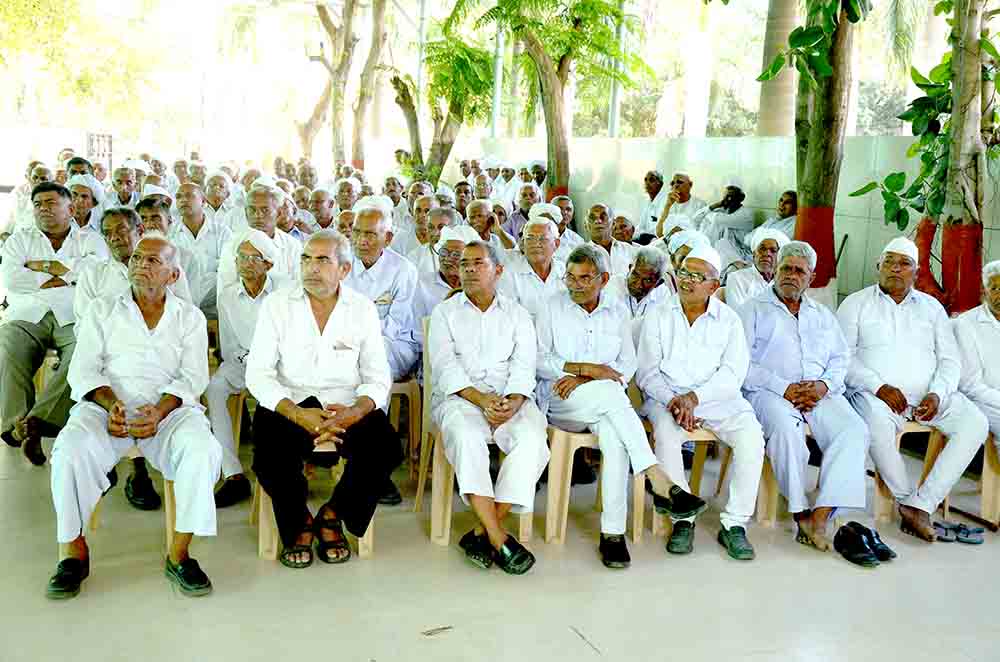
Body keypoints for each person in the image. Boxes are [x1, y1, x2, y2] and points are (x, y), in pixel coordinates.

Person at [46, 233, 222, 599]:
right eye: (137, 258)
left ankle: (179, 554)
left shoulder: (188, 317)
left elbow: (193, 377)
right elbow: (83, 369)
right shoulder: (102, 309)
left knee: (202, 449)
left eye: (153, 261)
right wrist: (111, 404)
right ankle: (73, 553)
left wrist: (159, 411)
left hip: (169, 411)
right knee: (69, 450)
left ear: (174, 275)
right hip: (106, 408)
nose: (141, 264)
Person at [246, 230, 400, 568]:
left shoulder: (361, 308)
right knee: (270, 453)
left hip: (344, 406)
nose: (311, 268)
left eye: (322, 260)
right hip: (290, 403)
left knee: (386, 448)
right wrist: (297, 414)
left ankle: (333, 514)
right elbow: (258, 373)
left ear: (344, 269)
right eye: (306, 259)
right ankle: (299, 521)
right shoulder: (277, 305)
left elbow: (378, 376)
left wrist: (355, 411)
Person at [536, 245, 682, 569]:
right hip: (561, 400)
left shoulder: (616, 310)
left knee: (615, 439)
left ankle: (612, 534)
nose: (575, 285)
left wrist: (587, 377)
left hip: (603, 402)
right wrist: (585, 369)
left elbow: (626, 365)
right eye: (570, 277)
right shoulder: (550, 306)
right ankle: (655, 474)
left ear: (603, 279)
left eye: (584, 278)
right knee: (611, 397)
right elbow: (538, 359)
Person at [838, 237, 988, 542]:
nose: (895, 268)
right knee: (876, 425)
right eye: (889, 262)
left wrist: (938, 393)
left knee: (975, 422)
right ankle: (909, 501)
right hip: (874, 395)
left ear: (916, 273)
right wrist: (879, 386)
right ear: (878, 266)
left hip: (927, 397)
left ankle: (922, 503)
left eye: (904, 263)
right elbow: (842, 358)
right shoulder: (855, 303)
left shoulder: (932, 308)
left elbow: (950, 360)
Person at [738, 241, 868, 553]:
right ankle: (800, 512)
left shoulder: (822, 314)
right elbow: (739, 363)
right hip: (769, 392)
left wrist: (823, 385)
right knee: (787, 429)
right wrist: (783, 387)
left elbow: (840, 359)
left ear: (811, 278)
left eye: (799, 271)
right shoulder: (752, 309)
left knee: (854, 430)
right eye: (786, 268)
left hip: (818, 393)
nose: (791, 275)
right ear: (775, 270)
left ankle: (821, 515)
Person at [637, 244, 765, 560]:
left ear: (714, 285)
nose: (687, 280)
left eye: (697, 276)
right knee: (666, 434)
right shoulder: (658, 314)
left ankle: (734, 524)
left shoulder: (729, 320)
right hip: (667, 398)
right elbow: (647, 373)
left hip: (716, 399)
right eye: (683, 272)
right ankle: (683, 519)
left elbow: (733, 373)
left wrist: (695, 398)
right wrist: (675, 400)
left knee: (751, 437)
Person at [428, 240, 549, 574]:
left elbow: (525, 365)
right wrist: (481, 400)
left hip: (510, 399)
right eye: (464, 264)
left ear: (498, 270)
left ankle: (483, 531)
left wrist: (513, 401)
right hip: (461, 398)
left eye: (478, 263)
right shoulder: (444, 313)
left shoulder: (517, 314)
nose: (469, 269)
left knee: (532, 438)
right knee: (466, 436)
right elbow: (445, 367)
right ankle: (498, 536)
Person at [0, 182, 109, 464]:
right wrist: (62, 272)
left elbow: (97, 273)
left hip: (74, 314)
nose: (43, 209)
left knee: (85, 352)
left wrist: (37, 267)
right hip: (28, 313)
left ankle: (37, 422)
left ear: (71, 209)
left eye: (50, 203)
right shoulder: (20, 240)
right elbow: (12, 278)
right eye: (38, 204)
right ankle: (15, 426)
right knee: (7, 346)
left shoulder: (91, 239)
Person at [207, 230, 286, 507]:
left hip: (279, 366)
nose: (246, 263)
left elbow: (292, 340)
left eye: (255, 258)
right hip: (242, 363)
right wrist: (247, 362)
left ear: (268, 264)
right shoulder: (227, 296)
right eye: (242, 257)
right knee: (215, 388)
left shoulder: (285, 292)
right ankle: (233, 475)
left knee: (274, 397)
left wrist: (265, 364)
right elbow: (229, 346)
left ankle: (278, 469)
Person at [217, 182, 303, 290]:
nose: (258, 215)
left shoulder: (293, 246)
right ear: (246, 213)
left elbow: (297, 287)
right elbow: (225, 290)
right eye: (252, 210)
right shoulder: (232, 244)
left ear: (279, 213)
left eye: (265, 210)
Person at [955, 261, 1000, 454]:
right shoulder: (965, 324)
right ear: (984, 291)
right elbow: (970, 385)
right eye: (995, 288)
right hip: (980, 402)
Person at [169, 183, 232, 319]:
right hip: (181, 308)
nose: (183, 200)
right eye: (179, 197)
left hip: (216, 307)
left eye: (189, 196)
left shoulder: (222, 232)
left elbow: (227, 271)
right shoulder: (170, 234)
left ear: (203, 201)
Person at [413, 225, 479, 335]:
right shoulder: (421, 285)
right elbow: (415, 329)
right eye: (443, 252)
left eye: (456, 255)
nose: (447, 258)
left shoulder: (479, 286)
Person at [135, 197, 205, 299]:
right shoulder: (130, 257)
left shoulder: (186, 258)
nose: (149, 224)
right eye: (143, 219)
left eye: (155, 218)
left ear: (169, 221)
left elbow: (192, 301)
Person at [497, 215, 565, 319]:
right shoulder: (509, 273)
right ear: (523, 244)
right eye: (530, 238)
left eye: (543, 239)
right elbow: (509, 315)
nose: (536, 244)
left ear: (556, 244)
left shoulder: (565, 271)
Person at [606, 246, 673, 344]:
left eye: (648, 280)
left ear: (658, 283)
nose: (638, 285)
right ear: (630, 268)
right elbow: (612, 330)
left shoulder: (663, 294)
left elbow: (661, 333)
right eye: (635, 275)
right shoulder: (613, 285)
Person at [724, 227, 790, 307]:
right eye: (762, 249)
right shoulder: (737, 278)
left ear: (780, 258)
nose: (767, 254)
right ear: (754, 254)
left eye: (773, 250)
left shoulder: (784, 283)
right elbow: (736, 312)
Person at [696, 185, 754, 270]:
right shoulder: (722, 211)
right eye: (726, 196)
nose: (728, 199)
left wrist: (709, 215)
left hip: (739, 252)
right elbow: (696, 218)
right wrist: (714, 206)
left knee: (720, 241)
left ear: (741, 198)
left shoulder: (746, 214)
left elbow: (717, 219)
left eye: (732, 196)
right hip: (719, 251)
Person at [585, 204, 635, 277]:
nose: (598, 221)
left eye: (603, 217)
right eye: (592, 218)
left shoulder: (630, 250)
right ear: (586, 226)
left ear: (613, 223)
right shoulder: (582, 255)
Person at [407, 207, 459, 275]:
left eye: (441, 227)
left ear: (453, 229)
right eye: (430, 227)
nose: (434, 233)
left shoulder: (465, 254)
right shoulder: (415, 257)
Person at [654, 173, 707, 238]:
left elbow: (704, 234)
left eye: (680, 182)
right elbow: (659, 234)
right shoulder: (666, 204)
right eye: (672, 183)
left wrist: (683, 232)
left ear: (690, 185)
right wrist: (667, 206)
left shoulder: (700, 205)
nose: (675, 185)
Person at [637, 170, 669, 237]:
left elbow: (662, 232)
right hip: (645, 239)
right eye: (645, 180)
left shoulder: (666, 202)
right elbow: (640, 227)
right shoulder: (646, 202)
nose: (647, 183)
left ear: (660, 184)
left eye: (651, 180)